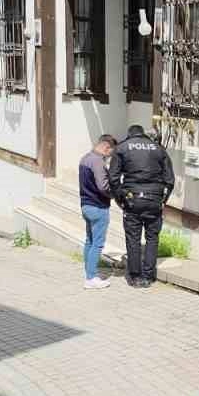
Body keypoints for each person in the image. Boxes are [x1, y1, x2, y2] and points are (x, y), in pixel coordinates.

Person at [107, 124, 174, 288]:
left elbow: (113, 178)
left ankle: (135, 277)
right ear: (143, 134)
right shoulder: (159, 149)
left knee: (133, 238)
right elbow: (170, 180)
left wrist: (120, 199)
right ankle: (149, 276)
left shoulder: (122, 148)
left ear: (129, 135)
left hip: (132, 199)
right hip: (154, 200)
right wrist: (163, 200)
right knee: (152, 238)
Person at [78, 134, 117, 289]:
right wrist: (113, 194)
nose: (110, 156)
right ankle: (91, 278)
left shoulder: (85, 158)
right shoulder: (98, 162)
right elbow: (103, 186)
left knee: (89, 240)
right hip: (98, 207)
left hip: (86, 205)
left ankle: (88, 272)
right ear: (107, 147)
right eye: (111, 152)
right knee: (98, 244)